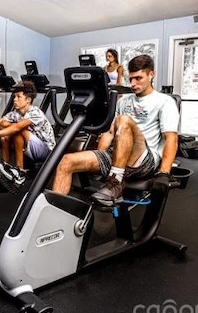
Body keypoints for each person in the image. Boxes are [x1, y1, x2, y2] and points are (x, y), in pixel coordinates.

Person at [52, 54, 179, 207]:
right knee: (66, 161)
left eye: (138, 78)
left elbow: (171, 138)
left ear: (151, 74)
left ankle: (115, 184)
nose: (132, 84)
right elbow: (110, 133)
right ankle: (56, 216)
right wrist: (100, 156)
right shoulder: (123, 101)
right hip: (117, 155)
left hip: (145, 160)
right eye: (130, 79)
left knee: (123, 120)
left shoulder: (165, 101)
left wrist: (164, 173)